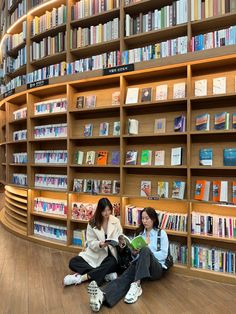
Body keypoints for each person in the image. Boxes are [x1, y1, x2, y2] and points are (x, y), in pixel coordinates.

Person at [87, 207, 169, 312]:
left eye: (147, 218)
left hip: (155, 269)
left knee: (145, 250)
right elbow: (135, 256)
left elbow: (163, 255)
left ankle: (137, 284)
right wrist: (134, 253)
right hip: (140, 266)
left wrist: (147, 251)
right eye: (142, 218)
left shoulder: (161, 234)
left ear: (153, 219)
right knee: (124, 278)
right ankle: (101, 296)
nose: (144, 221)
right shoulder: (140, 234)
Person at [63, 197, 122, 286]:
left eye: (109, 210)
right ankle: (104, 275)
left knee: (112, 263)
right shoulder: (92, 223)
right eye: (104, 211)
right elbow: (90, 243)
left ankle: (81, 278)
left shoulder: (116, 221)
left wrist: (120, 242)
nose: (107, 213)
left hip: (111, 255)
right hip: (96, 254)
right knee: (73, 262)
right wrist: (100, 244)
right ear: (99, 210)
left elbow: (120, 236)